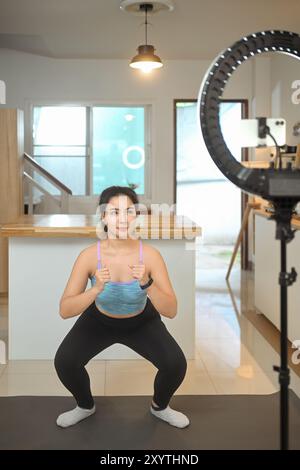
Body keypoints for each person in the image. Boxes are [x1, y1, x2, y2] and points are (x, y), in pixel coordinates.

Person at [54, 186, 189, 429]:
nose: (123, 219)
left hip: (141, 321)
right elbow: (65, 309)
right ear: (103, 216)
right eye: (115, 212)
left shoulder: (150, 255)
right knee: (65, 361)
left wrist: (148, 285)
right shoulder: (88, 256)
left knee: (176, 364)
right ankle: (85, 405)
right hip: (99, 320)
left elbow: (171, 309)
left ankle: (160, 407)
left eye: (129, 211)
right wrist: (95, 290)